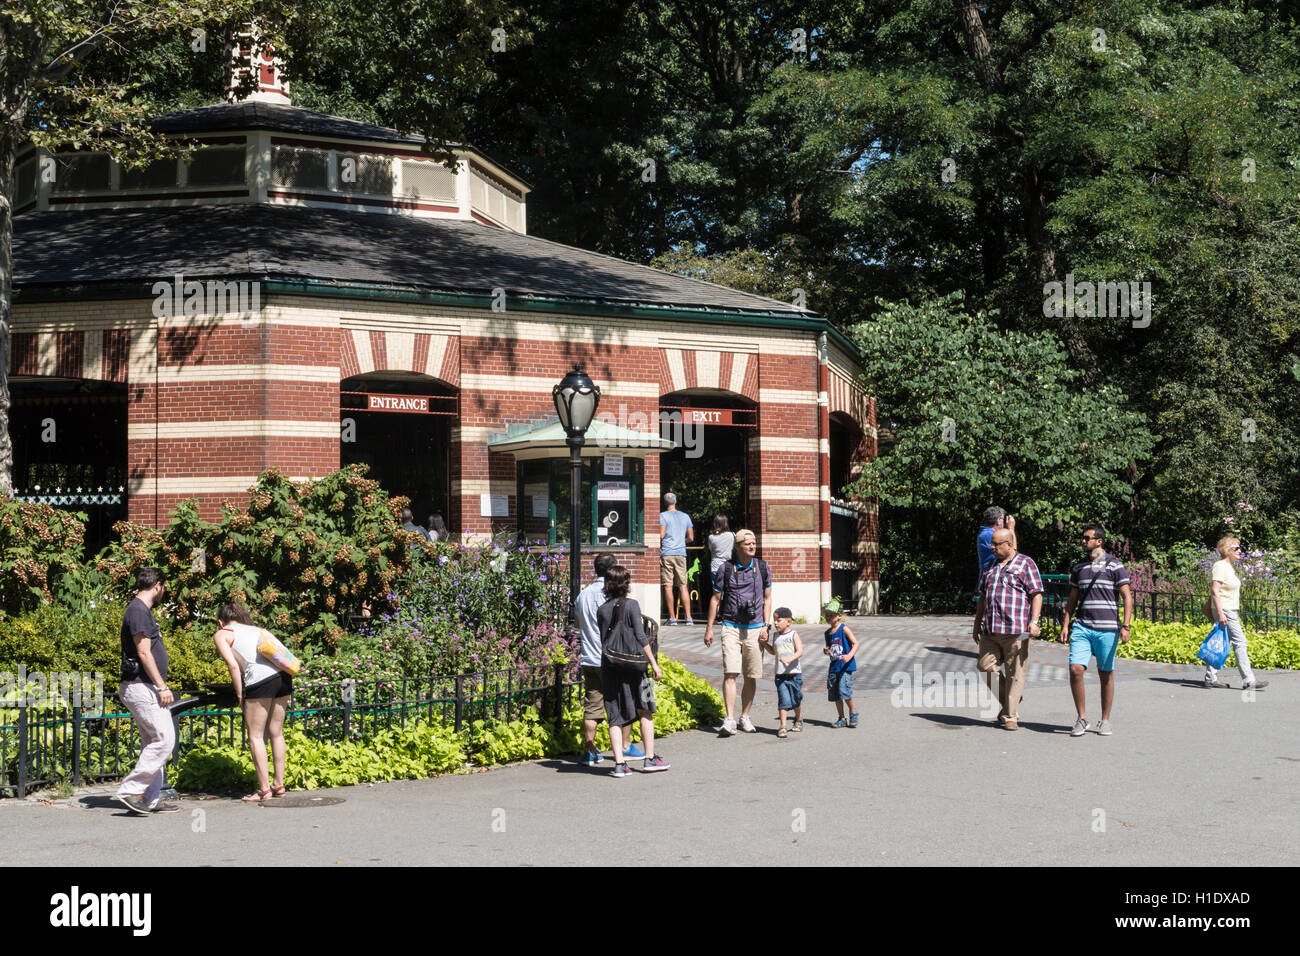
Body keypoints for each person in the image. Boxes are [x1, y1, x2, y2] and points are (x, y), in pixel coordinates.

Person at [1057, 524, 1133, 736]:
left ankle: (1105, 719)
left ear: (1099, 541)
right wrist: (1065, 624)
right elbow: (1072, 599)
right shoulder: (1078, 567)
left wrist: (1126, 626)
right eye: (1082, 538)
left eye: (1086, 538)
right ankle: (1081, 718)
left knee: (1105, 673)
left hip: (1107, 628)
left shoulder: (1114, 565)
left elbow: (1127, 596)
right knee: (1075, 669)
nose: (1083, 541)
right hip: (1082, 626)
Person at [212, 603, 293, 801]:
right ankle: (278, 784)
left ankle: (264, 789)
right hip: (283, 677)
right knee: (276, 732)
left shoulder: (222, 633)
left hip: (260, 681)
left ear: (220, 621)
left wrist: (240, 694)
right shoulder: (257, 630)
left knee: (256, 736)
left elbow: (232, 665)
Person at [116, 567, 180, 814]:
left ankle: (148, 799)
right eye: (164, 587)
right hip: (142, 685)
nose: (164, 591)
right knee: (164, 740)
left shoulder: (140, 611)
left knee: (153, 741)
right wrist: (161, 686)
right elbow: (143, 651)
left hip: (142, 685)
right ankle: (130, 791)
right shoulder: (139, 611)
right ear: (158, 585)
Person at [597, 565, 669, 776]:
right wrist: (654, 663)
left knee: (614, 715)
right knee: (645, 709)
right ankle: (649, 758)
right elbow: (641, 636)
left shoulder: (602, 610)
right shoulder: (632, 605)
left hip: (610, 666)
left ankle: (619, 764)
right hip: (637, 667)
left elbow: (603, 639)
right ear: (626, 584)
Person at [574, 553, 643, 765]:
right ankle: (624, 745)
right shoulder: (612, 596)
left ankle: (590, 749)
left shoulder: (582, 595)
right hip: (612, 659)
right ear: (613, 570)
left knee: (592, 705)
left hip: (589, 657)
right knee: (623, 703)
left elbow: (577, 624)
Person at [972, 527, 1042, 731]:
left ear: (1010, 544)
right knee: (985, 667)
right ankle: (1012, 698)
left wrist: (1034, 621)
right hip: (991, 629)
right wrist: (977, 623)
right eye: (991, 543)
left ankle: (1010, 715)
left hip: (1016, 629)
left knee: (1015, 673)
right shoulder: (990, 566)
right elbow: (983, 597)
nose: (991, 547)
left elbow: (1036, 593)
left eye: (996, 544)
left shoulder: (1026, 563)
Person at [703, 529, 772, 735]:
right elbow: (715, 599)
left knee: (751, 675)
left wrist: (766, 626)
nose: (752, 546)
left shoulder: (762, 567)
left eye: (754, 543)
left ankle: (745, 716)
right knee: (730, 672)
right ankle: (730, 719)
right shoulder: (726, 569)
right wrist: (709, 629)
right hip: (731, 627)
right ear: (738, 546)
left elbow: (767, 599)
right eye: (748, 543)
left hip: (755, 628)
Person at [1204, 536, 1269, 692]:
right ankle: (1249, 680)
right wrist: (1220, 613)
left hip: (1229, 610)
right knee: (1240, 642)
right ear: (1227, 550)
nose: (1240, 551)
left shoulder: (1229, 567)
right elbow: (1215, 591)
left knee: (1221, 641)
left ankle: (1210, 678)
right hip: (1224, 609)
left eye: (1240, 548)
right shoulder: (1220, 566)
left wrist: (1235, 613)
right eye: (1236, 548)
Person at [761, 606, 803, 737]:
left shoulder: (793, 635)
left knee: (796, 700)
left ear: (789, 621)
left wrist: (790, 659)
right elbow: (774, 651)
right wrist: (764, 644)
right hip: (780, 676)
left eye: (779, 620)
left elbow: (800, 651)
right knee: (783, 700)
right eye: (774, 620)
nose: (775, 623)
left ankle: (798, 719)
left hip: (794, 674)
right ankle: (783, 726)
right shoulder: (775, 635)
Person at [659, 493, 695, 625]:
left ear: (664, 503)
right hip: (681, 553)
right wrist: (681, 540)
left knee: (668, 586)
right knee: (683, 586)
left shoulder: (662, 516)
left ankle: (673, 618)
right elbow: (691, 538)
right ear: (676, 501)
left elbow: (662, 535)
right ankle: (689, 618)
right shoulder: (685, 516)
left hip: (667, 553)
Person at [822, 606, 860, 727]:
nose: (828, 617)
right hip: (834, 666)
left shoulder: (844, 629)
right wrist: (826, 651)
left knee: (845, 691)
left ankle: (853, 712)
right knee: (835, 693)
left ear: (839, 616)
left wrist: (849, 656)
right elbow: (830, 648)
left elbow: (856, 644)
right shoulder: (827, 633)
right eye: (826, 615)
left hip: (845, 667)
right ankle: (841, 718)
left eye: (831, 615)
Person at [976, 506, 1016, 585]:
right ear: (998, 520)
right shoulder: (989, 534)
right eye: (1003, 519)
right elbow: (1013, 551)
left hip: (993, 578)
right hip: (991, 580)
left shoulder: (985, 533)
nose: (1004, 522)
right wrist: (1011, 528)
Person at [707, 515, 735, 583]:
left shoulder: (711, 537)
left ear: (715, 524)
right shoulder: (733, 535)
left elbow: (710, 550)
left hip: (716, 567)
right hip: (729, 567)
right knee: (730, 591)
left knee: (717, 592)